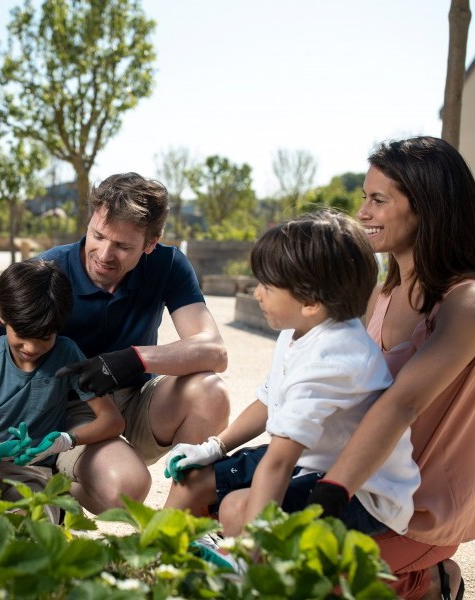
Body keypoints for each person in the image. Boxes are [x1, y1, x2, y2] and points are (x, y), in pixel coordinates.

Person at [162, 210, 420, 545]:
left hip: (365, 494)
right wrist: (214, 447)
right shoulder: (298, 328)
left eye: (266, 286)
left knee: (237, 509)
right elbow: (270, 399)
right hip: (309, 461)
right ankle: (156, 563)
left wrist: (250, 546)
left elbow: (280, 462)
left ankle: (243, 572)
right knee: (191, 477)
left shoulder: (335, 359)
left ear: (311, 300)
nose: (256, 293)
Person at [307, 136, 475, 600]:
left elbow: (403, 402)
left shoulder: (466, 302)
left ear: (427, 209)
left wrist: (332, 488)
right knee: (223, 506)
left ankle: (428, 576)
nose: (362, 213)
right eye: (365, 198)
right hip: (369, 485)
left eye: (378, 200)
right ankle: (420, 581)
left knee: (308, 573)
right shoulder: (380, 294)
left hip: (420, 509)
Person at [38, 172, 230, 514]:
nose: (104, 254)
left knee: (212, 391)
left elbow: (214, 350)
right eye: (97, 235)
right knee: (127, 490)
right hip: (72, 414)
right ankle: (51, 480)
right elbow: (4, 358)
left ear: (150, 244)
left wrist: (133, 359)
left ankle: (175, 523)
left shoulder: (167, 264)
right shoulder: (48, 269)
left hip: (135, 400)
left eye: (123, 246)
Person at [0, 259, 124, 519]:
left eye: (45, 337)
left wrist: (66, 440)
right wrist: (2, 448)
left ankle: (4, 523)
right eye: (21, 335)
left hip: (33, 472)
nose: (32, 349)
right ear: (2, 317)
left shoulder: (67, 354)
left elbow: (112, 420)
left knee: (28, 523)